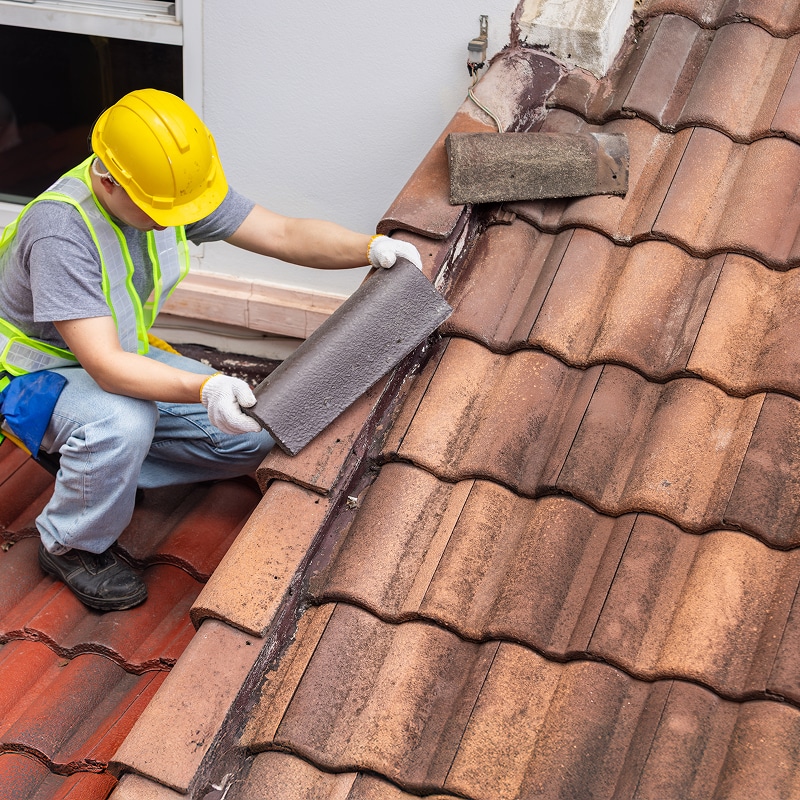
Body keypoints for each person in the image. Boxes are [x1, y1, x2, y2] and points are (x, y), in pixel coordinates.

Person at [0, 88, 421, 612]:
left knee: (246, 438)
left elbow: (284, 233)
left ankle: (104, 464)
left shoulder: (162, 185)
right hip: (38, 376)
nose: (174, 218)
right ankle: (70, 542)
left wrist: (369, 248)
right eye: (162, 211)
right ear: (107, 180)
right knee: (121, 422)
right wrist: (205, 386)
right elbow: (105, 368)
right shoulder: (61, 233)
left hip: (118, 354)